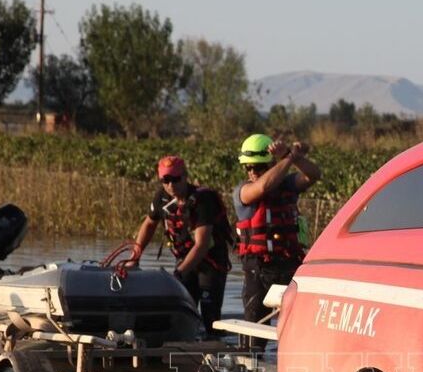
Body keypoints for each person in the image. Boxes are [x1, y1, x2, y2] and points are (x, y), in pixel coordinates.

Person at [128, 155, 234, 334]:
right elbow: (148, 224)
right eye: (165, 180)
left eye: (176, 179)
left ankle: (215, 347)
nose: (171, 185)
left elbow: (202, 244)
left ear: (185, 176)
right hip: (185, 260)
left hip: (211, 263)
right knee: (181, 312)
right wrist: (134, 257)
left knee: (210, 318)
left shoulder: (202, 200)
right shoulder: (161, 198)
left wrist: (178, 274)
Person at [233, 134, 322, 341]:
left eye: (259, 167)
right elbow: (262, 188)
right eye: (248, 167)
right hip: (258, 269)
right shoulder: (242, 191)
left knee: (296, 330)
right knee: (253, 334)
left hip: (289, 264)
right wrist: (288, 158)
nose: (253, 172)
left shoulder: (288, 185)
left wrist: (297, 157)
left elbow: (314, 174)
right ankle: (251, 364)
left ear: (271, 164)